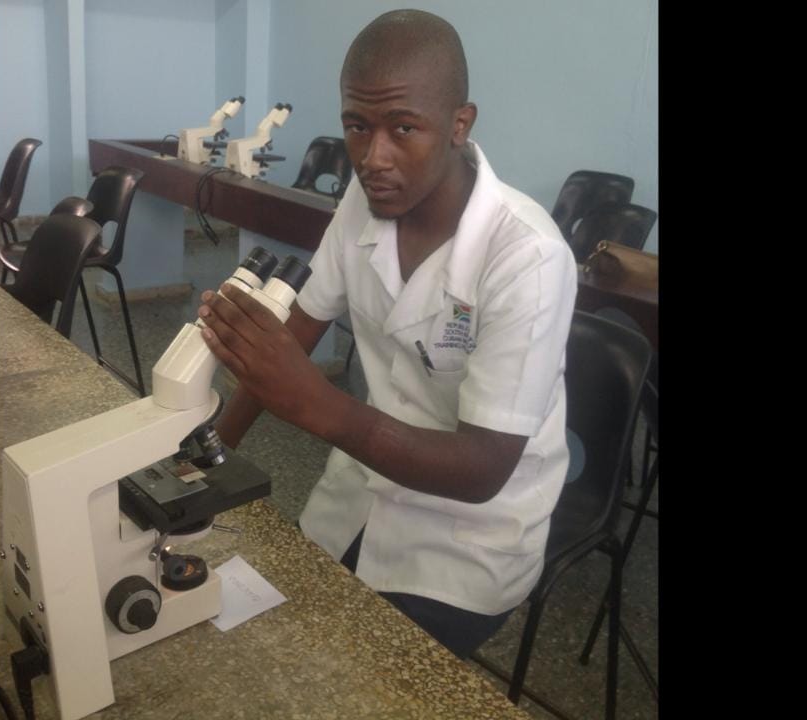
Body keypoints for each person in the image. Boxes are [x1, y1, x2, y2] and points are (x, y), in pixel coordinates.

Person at [197, 9, 577, 658]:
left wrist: (313, 404)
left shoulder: (528, 256)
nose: (374, 158)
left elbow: (484, 470)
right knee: (266, 641)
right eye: (356, 126)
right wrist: (205, 454)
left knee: (350, 674)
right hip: (360, 489)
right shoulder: (365, 199)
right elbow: (301, 328)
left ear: (460, 125)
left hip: (466, 541)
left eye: (404, 128)